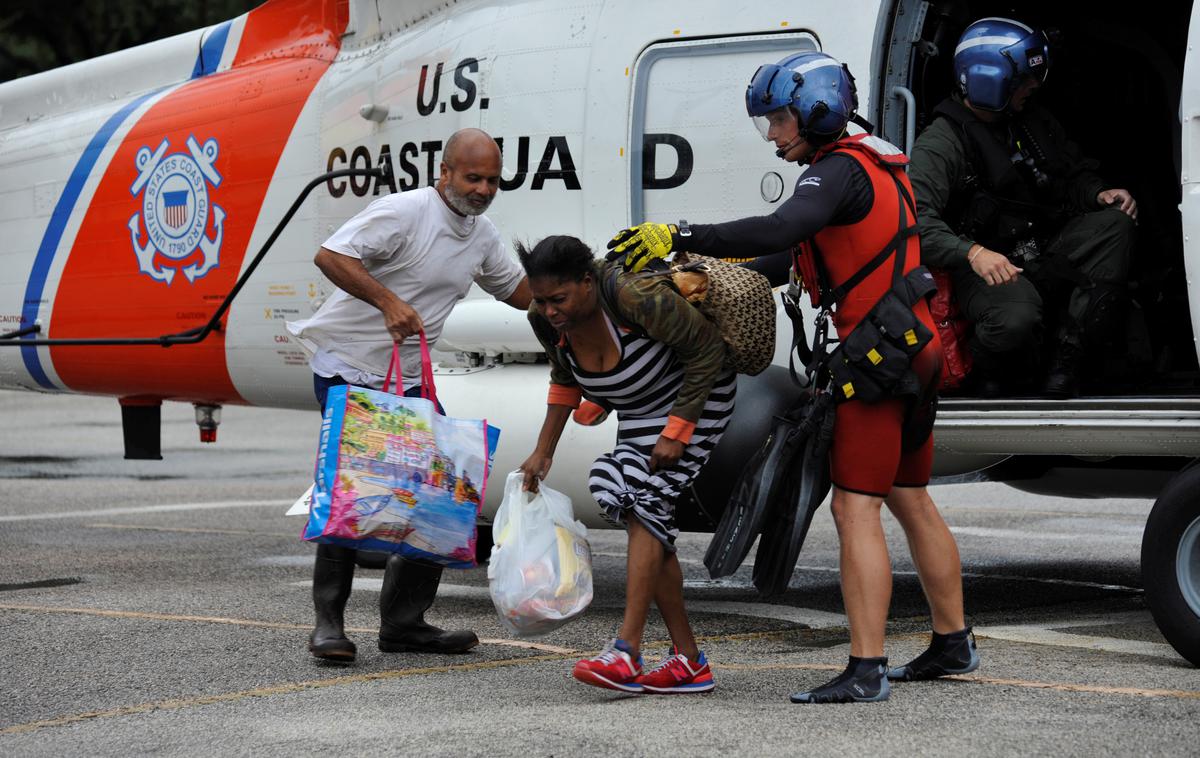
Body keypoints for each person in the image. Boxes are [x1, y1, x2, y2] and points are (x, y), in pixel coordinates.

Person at [607, 51, 977, 703]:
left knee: (853, 505)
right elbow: (791, 252)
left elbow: (784, 225)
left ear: (817, 109)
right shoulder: (878, 163)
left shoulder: (836, 171)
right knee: (910, 496)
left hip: (874, 359)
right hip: (914, 347)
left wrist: (678, 233)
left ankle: (866, 668)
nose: (773, 135)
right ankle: (953, 641)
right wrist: (707, 268)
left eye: (778, 120)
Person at [287, 128, 532, 663]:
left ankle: (403, 623)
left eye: (492, 180)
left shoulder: (482, 234)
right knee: (356, 494)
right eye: (472, 177)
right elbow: (331, 256)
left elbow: (521, 293)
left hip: (411, 376)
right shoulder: (404, 212)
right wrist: (387, 302)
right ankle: (329, 624)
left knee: (445, 495)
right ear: (443, 173)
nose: (483, 189)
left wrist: (590, 287)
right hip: (349, 367)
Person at [517, 235, 735, 694]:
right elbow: (562, 378)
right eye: (541, 300)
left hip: (694, 398)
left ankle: (627, 651)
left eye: (559, 298)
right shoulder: (544, 319)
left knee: (640, 499)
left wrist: (678, 429)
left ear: (588, 281)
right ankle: (688, 662)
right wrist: (544, 449)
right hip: (639, 410)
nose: (549, 309)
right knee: (640, 511)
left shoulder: (636, 298)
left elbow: (708, 351)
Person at [909, 17, 1136, 398]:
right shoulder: (941, 144)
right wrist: (973, 252)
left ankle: (1066, 358)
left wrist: (1098, 194)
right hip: (984, 263)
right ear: (991, 80)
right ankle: (995, 374)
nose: (1033, 86)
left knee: (1115, 224)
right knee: (1014, 319)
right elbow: (913, 220)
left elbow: (1068, 173)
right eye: (1023, 80)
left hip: (1040, 243)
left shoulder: (1027, 121)